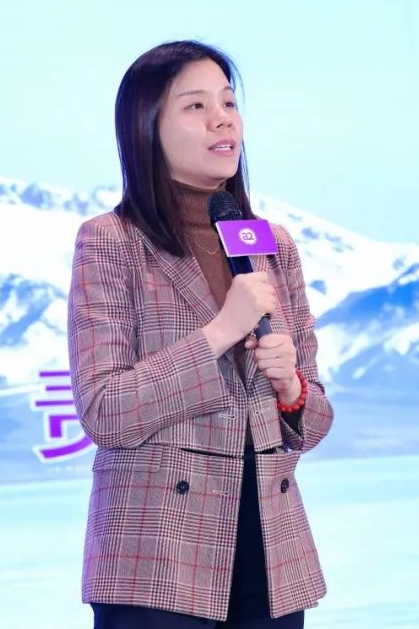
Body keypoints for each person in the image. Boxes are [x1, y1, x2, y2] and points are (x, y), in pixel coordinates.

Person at [68, 40, 333, 628]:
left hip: (272, 557)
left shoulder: (270, 244)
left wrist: (291, 387)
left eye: (229, 103)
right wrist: (220, 332)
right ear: (147, 129)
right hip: (156, 556)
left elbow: (314, 424)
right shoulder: (111, 241)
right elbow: (105, 410)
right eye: (196, 106)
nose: (223, 120)